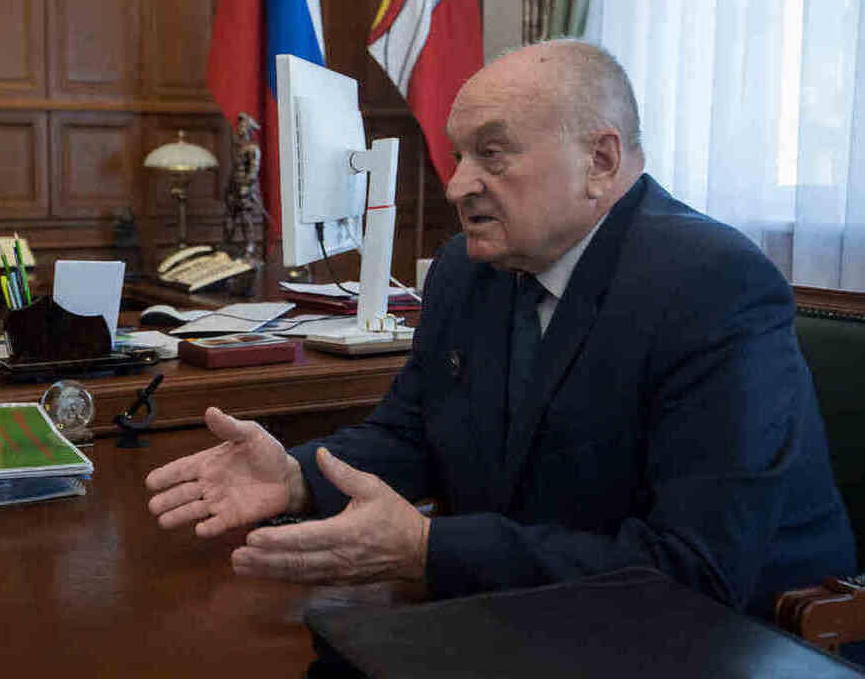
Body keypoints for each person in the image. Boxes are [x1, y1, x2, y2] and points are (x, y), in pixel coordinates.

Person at [146, 39, 856, 619]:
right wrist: (296, 477)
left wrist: (427, 550)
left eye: (492, 153)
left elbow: (695, 571)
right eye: (460, 155)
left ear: (600, 161)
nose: (457, 184)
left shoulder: (711, 284)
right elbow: (413, 435)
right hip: (535, 614)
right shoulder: (467, 269)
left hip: (735, 637)